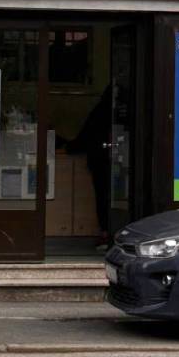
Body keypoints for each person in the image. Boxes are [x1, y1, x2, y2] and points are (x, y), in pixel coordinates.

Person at [67, 85, 112, 250]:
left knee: (103, 195)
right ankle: (110, 233)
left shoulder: (100, 111)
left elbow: (86, 135)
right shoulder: (126, 110)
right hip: (109, 159)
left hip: (99, 160)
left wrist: (70, 147)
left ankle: (105, 233)